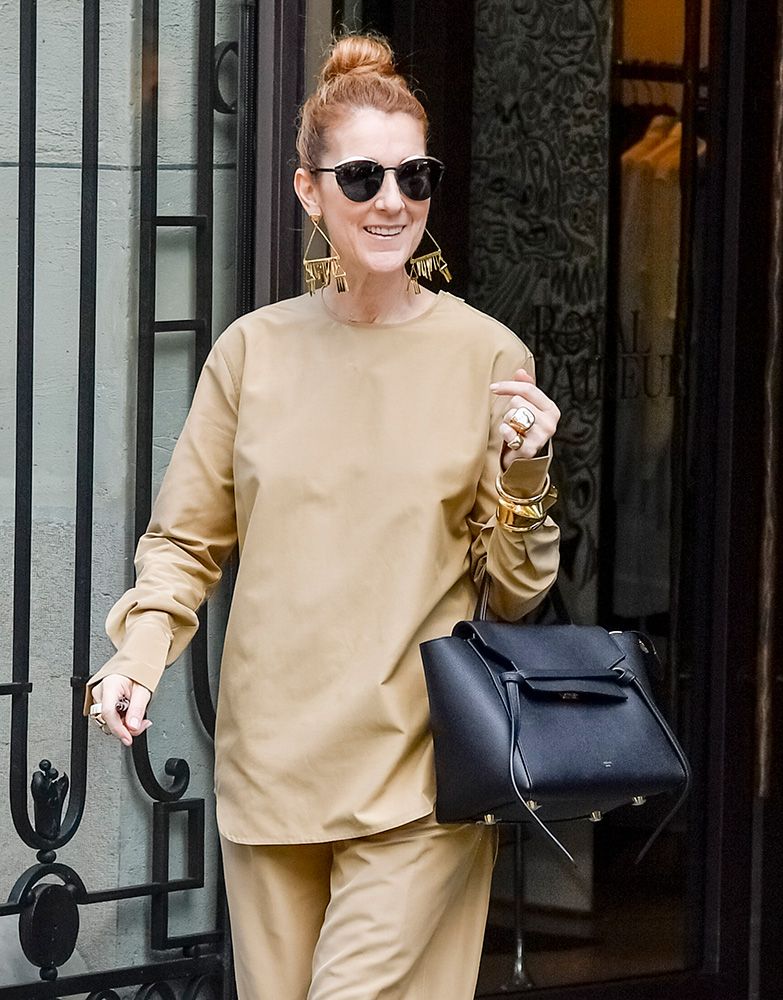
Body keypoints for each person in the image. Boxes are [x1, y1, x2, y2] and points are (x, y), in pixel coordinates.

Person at [84, 33, 561, 1000]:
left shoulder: (487, 356)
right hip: (271, 770)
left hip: (420, 771)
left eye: (414, 176)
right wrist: (137, 655)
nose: (391, 201)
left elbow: (514, 595)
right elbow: (185, 540)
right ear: (309, 192)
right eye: (361, 177)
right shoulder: (251, 353)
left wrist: (526, 473)